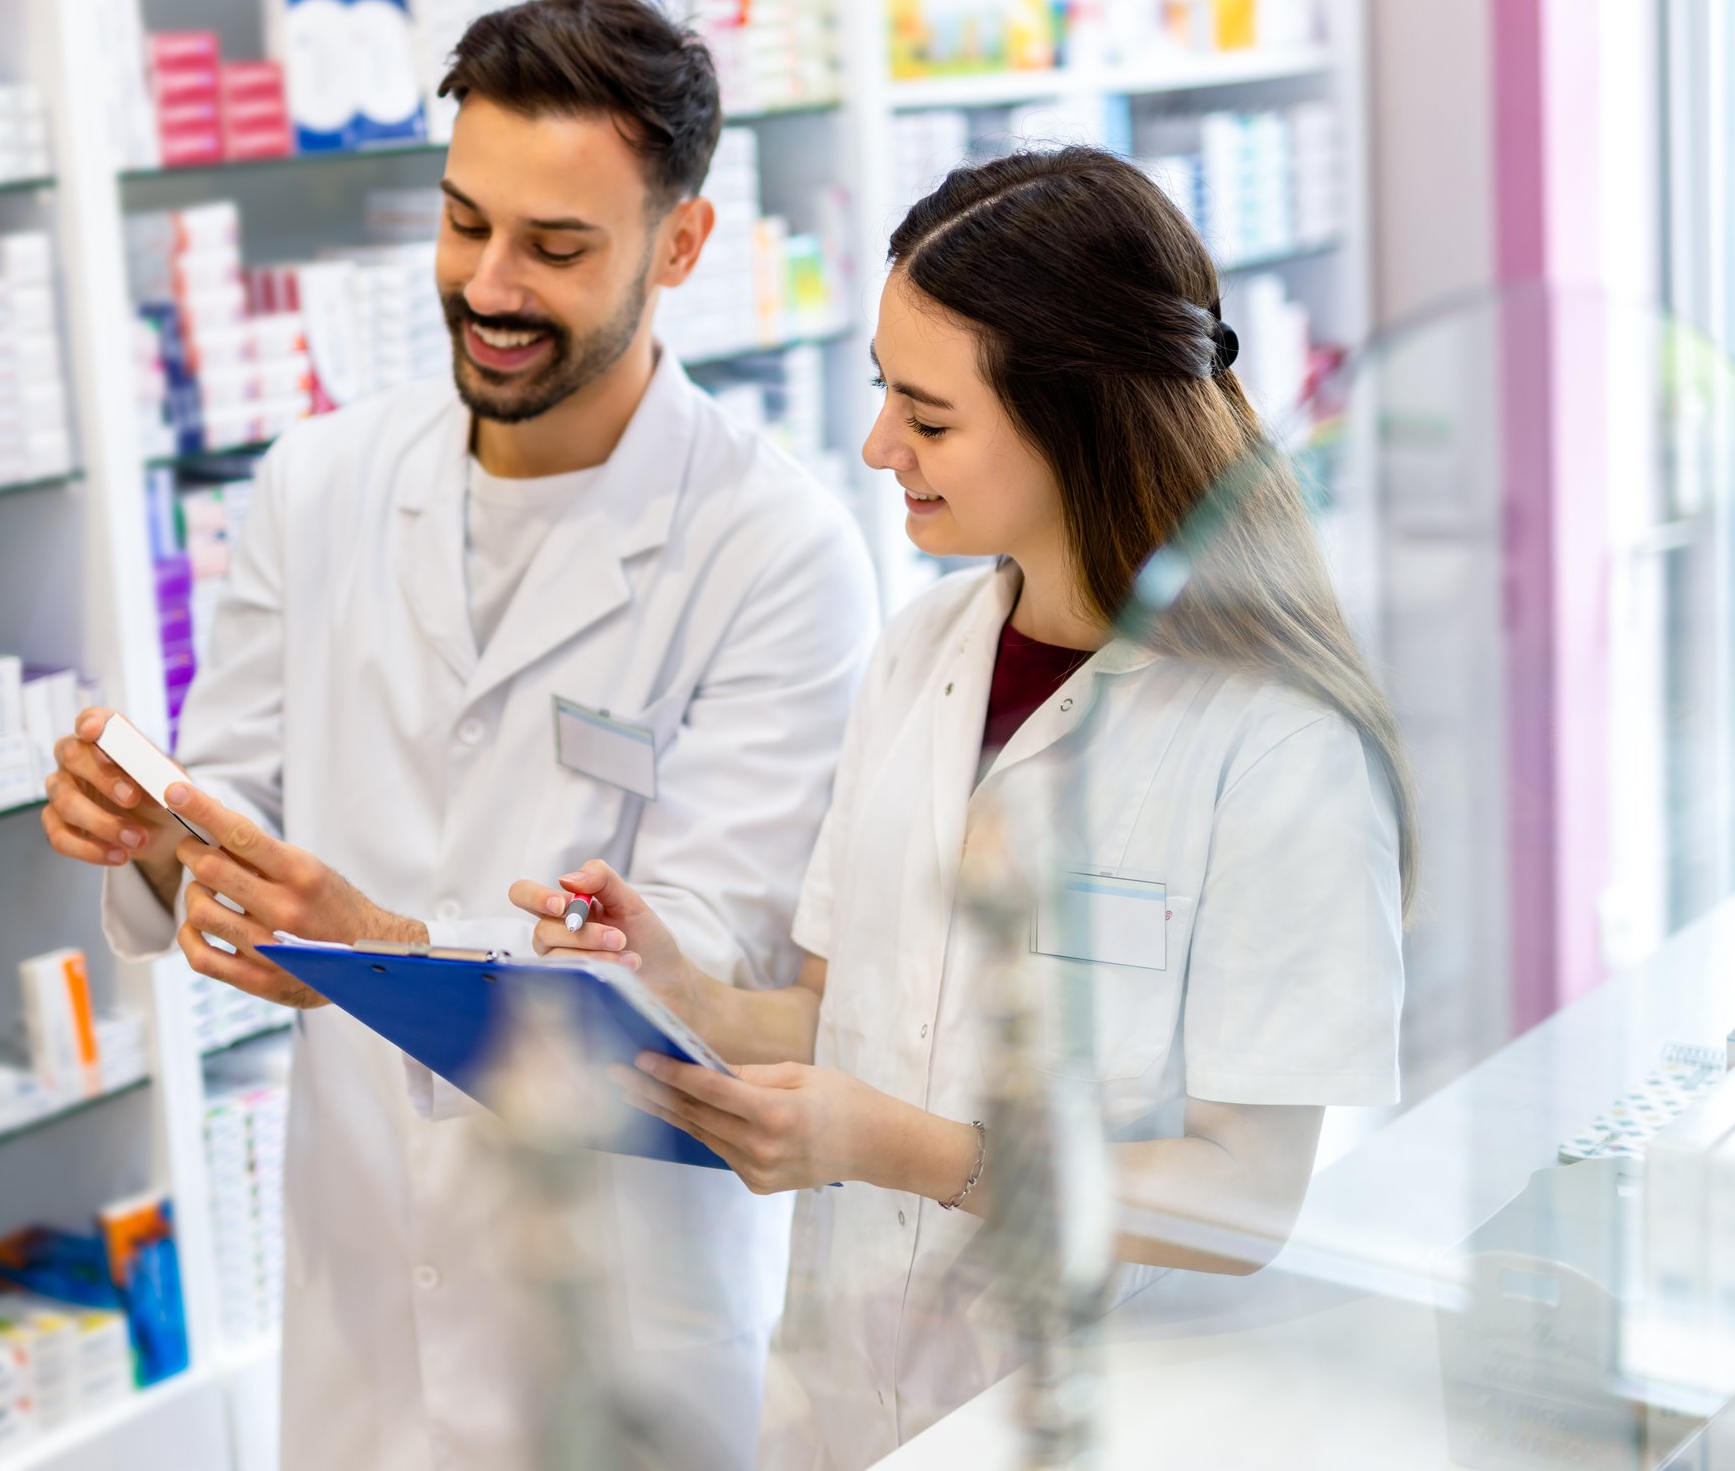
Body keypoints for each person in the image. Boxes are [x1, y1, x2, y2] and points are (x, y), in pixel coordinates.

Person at [36, 0, 876, 1469]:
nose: (488, 285)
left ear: (680, 246)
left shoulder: (776, 548)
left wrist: (380, 951)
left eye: (556, 249)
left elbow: (706, 978)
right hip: (363, 1290)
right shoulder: (321, 480)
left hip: (619, 1318)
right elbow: (226, 801)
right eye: (462, 222)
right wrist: (158, 834)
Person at [509, 146, 1415, 1467]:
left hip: (1111, 1416)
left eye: (928, 419)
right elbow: (834, 1016)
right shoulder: (920, 651)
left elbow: (1246, 1194)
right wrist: (677, 986)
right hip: (847, 1404)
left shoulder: (1278, 741)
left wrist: (907, 1150)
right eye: (886, 393)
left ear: (1077, 420)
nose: (881, 446)